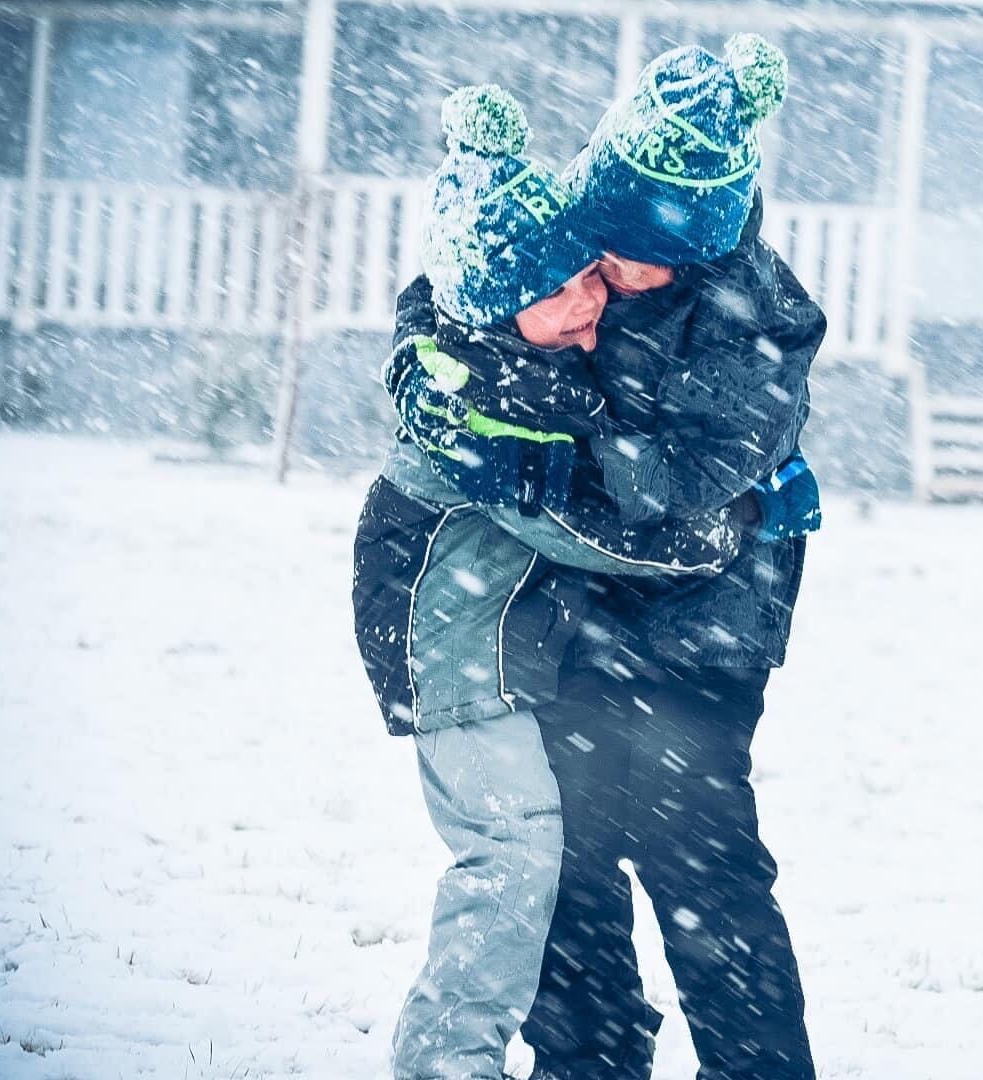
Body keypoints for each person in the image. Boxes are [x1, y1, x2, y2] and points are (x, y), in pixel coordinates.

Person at [350, 84, 743, 1080]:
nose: (591, 307)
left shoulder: (500, 346)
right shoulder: (478, 401)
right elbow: (568, 521)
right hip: (451, 653)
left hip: (496, 642)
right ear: (502, 299)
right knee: (510, 852)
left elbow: (443, 293)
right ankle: (448, 1061)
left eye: (590, 282)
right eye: (564, 291)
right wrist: (696, 544)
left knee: (540, 848)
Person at [519, 36, 825, 1080]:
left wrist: (549, 426)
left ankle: (757, 1068)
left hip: (711, 615)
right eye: (601, 238)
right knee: (563, 843)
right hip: (578, 599)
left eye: (639, 252)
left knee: (698, 855)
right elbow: (468, 284)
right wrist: (428, 358)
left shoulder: (761, 318)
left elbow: (691, 480)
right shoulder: (583, 228)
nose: (610, 268)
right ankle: (587, 1058)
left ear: (699, 243)